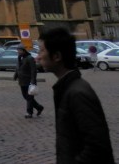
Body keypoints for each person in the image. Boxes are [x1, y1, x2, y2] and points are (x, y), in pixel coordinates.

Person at [38, 27, 114, 163]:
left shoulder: (77, 93)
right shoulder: (68, 87)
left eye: (41, 51)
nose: (37, 56)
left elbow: (97, 147)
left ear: (57, 56)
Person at [13, 45, 43, 119]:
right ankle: (39, 107)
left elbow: (33, 70)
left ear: (23, 50)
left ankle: (29, 113)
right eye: (18, 50)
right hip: (22, 81)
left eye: (19, 50)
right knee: (25, 96)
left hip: (29, 81)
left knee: (29, 97)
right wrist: (15, 76)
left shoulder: (30, 58)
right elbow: (18, 68)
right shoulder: (20, 58)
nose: (18, 52)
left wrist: (33, 81)